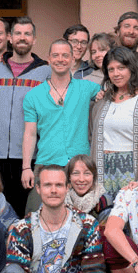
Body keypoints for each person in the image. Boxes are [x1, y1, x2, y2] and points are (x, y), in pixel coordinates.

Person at [1, 164, 138, 273]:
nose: (53, 190)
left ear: (67, 188)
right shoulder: (23, 228)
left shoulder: (87, 224)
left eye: (59, 185)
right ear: (38, 188)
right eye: (47, 185)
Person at [21, 40, 100, 210]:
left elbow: (113, 91)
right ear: (48, 59)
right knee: (35, 212)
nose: (60, 59)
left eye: (65, 55)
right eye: (55, 55)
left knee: (80, 217)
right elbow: (30, 133)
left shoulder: (87, 88)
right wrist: (26, 167)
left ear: (73, 59)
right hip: (46, 164)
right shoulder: (33, 96)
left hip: (79, 168)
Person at [0, 17, 50, 215]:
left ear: (34, 39)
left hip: (29, 156)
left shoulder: (45, 72)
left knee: (25, 212)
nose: (23, 38)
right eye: (18, 33)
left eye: (27, 34)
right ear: (10, 38)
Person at [89, 46, 138, 199]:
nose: (116, 74)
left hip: (132, 169)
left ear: (131, 68)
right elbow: (93, 136)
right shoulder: (103, 101)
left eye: (121, 68)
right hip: (104, 168)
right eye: (111, 69)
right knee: (105, 217)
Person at [64, 154, 111, 220]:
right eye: (76, 173)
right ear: (69, 177)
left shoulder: (104, 201)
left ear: (93, 176)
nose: (81, 179)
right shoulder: (61, 199)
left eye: (87, 173)